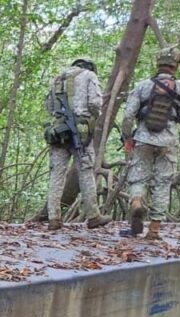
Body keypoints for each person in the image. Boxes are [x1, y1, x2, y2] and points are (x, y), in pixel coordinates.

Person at [121, 47, 180, 240]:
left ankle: (137, 202)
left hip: (143, 138)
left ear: (158, 64)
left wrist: (127, 137)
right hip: (168, 141)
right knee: (163, 183)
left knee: (138, 178)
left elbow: (128, 115)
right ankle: (154, 230)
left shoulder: (142, 86)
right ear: (175, 66)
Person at [42, 57, 111, 231]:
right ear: (90, 67)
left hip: (58, 131)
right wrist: (91, 118)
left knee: (56, 173)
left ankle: (53, 218)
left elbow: (49, 106)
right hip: (80, 131)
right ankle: (93, 216)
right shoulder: (89, 76)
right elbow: (95, 104)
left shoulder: (57, 78)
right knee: (86, 171)